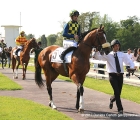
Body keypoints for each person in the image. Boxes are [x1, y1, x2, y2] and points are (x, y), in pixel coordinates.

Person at [94, 39, 135, 114]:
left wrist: (131, 67)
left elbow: (129, 62)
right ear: (112, 47)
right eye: (116, 46)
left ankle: (112, 99)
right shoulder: (108, 55)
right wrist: (96, 51)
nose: (117, 47)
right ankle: (120, 109)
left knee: (118, 93)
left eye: (118, 46)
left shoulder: (122, 55)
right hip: (112, 76)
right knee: (116, 92)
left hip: (120, 76)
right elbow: (98, 57)